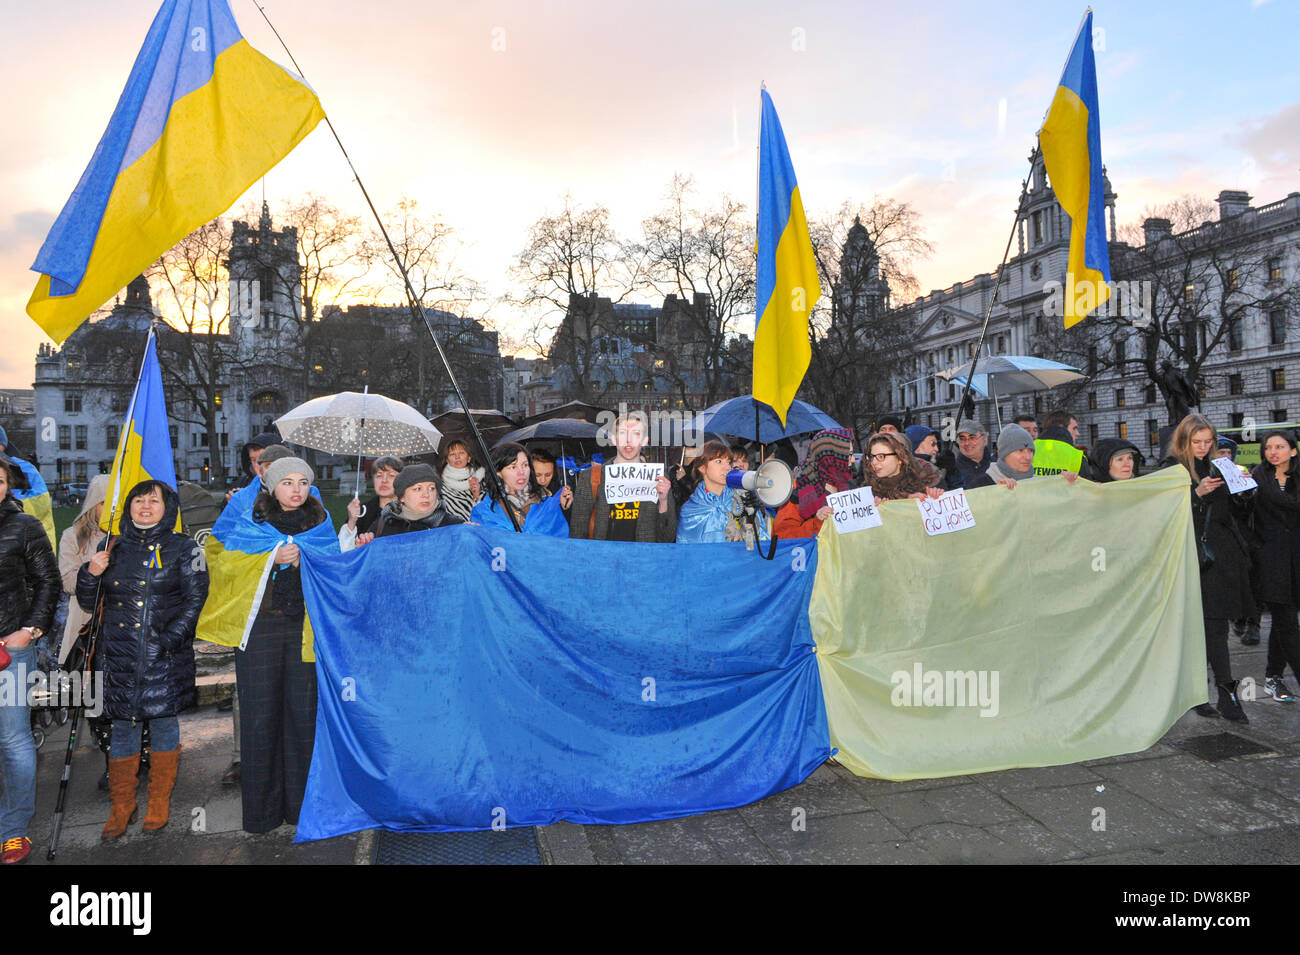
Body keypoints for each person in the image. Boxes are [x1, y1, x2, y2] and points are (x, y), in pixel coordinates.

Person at [78, 481, 207, 839]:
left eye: (154, 501)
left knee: (164, 725)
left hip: (163, 658)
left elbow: (194, 602)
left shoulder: (184, 548)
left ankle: (158, 802)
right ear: (129, 506)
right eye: (139, 500)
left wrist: (166, 642)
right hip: (119, 656)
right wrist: (91, 573)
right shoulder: (111, 546)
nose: (146, 507)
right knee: (123, 729)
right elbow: (90, 602)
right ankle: (122, 806)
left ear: (169, 508)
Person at [238, 457, 337, 832]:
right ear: (271, 487)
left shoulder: (320, 523)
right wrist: (270, 558)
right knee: (260, 717)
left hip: (303, 631)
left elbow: (333, 566)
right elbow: (227, 564)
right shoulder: (250, 522)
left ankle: (301, 807)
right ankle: (261, 814)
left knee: (302, 715)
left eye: (302, 482)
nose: (296, 489)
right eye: (287, 482)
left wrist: (303, 562)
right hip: (260, 630)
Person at [1164, 414, 1253, 721]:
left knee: (1216, 627)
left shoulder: (1221, 465)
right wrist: (1196, 494)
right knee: (1199, 628)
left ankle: (1224, 696)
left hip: (1221, 557)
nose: (1202, 448)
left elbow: (1232, 513)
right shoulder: (1172, 469)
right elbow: (1166, 514)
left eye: (1207, 442)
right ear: (1183, 441)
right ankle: (1204, 693)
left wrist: (1243, 491)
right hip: (1192, 557)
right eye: (1196, 442)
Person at [0, 454, 59, 863]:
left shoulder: (23, 526)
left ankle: (14, 828)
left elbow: (47, 582)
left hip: (10, 650)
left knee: (13, 738)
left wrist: (29, 631)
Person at [1249, 430, 1300, 703]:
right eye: (1268, 447)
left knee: (1283, 624)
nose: (1273, 451)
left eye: (1280, 446)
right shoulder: (1257, 478)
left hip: (1297, 560)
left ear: (1293, 450)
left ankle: (1273, 676)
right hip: (1271, 562)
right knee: (1287, 622)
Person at [568, 416, 676, 542]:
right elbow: (577, 531)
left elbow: (668, 537)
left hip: (643, 558)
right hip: (604, 557)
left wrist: (663, 502)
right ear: (614, 439)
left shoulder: (659, 478)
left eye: (636, 434)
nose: (628, 440)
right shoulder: (590, 477)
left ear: (644, 440)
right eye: (623, 433)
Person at [57, 473, 109, 665]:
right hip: (85, 622)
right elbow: (68, 582)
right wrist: (92, 573)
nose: (111, 510)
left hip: (121, 626)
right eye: (104, 503)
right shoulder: (73, 536)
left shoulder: (129, 538)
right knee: (85, 688)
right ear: (93, 505)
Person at [678, 440, 771, 544]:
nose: (727, 468)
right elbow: (686, 554)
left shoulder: (741, 501)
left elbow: (758, 546)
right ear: (702, 468)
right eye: (719, 461)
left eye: (728, 462)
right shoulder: (690, 510)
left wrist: (751, 520)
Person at [470, 443, 573, 536]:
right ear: (498, 472)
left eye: (525, 465)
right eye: (513, 467)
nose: (521, 472)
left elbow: (562, 546)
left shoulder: (547, 507)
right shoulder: (484, 512)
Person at [774, 429, 854, 539]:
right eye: (848, 455)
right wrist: (816, 523)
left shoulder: (847, 484)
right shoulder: (800, 489)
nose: (853, 459)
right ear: (830, 456)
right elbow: (782, 535)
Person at [370, 464, 463, 537]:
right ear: (402, 497)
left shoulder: (453, 526)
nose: (426, 495)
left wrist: (470, 535)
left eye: (431, 488)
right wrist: (363, 544)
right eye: (418, 489)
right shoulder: (384, 525)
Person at [339, 456, 404, 550]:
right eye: (379, 475)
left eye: (391, 475)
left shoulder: (408, 511)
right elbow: (345, 550)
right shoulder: (362, 511)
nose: (384, 481)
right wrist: (352, 521)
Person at [864, 431, 944, 502]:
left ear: (900, 458)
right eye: (871, 457)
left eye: (881, 456)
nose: (873, 462)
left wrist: (935, 499)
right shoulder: (866, 491)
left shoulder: (930, 481)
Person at [439, 440, 485, 524]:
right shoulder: (441, 486)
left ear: (469, 458)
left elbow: (490, 512)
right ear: (447, 460)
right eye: (452, 454)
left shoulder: (482, 479)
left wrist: (476, 496)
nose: (457, 457)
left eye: (461, 453)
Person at [1033, 409, 1090, 478]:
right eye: (1074, 428)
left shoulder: (1027, 450)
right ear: (1061, 427)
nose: (1078, 433)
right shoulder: (1077, 457)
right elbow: (1087, 486)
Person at [943, 419, 995, 491]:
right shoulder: (951, 472)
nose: (967, 443)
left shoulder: (997, 466)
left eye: (972, 438)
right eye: (962, 439)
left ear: (985, 440)